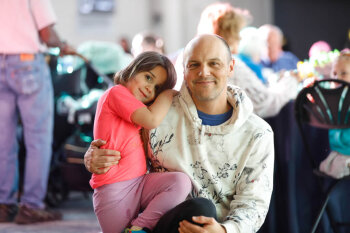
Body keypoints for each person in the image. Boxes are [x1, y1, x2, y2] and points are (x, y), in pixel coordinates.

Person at [85, 34, 274, 233]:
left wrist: (224, 231)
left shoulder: (257, 133)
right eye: (194, 65)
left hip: (220, 228)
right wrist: (92, 155)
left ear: (230, 67)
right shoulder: (157, 113)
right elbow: (119, 141)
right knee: (201, 208)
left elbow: (253, 204)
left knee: (203, 210)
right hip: (160, 222)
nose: (204, 72)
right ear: (183, 70)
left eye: (214, 64)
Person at [92, 51, 191, 233]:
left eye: (157, 88)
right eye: (148, 77)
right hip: (114, 191)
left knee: (181, 182)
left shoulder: (134, 108)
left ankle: (138, 227)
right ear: (133, 69)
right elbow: (152, 120)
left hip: (140, 183)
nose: (149, 88)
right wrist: (168, 93)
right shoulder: (116, 93)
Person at [0, 0, 75, 224]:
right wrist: (62, 45)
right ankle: (32, 206)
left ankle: (4, 204)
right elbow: (46, 34)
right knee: (38, 139)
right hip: (27, 64)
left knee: (4, 141)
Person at [194, 2, 299, 118]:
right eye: (238, 32)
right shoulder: (231, 65)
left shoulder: (189, 60)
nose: (240, 38)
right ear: (231, 34)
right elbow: (266, 104)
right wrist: (290, 81)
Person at [319, 49, 350, 178]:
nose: (337, 78)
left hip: (338, 152)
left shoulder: (330, 99)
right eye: (335, 73)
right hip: (342, 150)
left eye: (343, 73)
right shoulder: (333, 100)